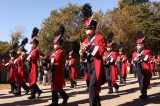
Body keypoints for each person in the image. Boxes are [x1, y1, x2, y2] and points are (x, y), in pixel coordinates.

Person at [79, 3, 106, 106]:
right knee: (93, 88)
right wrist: (82, 54)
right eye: (85, 28)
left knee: (91, 87)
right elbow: (85, 57)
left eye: (89, 28)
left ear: (94, 28)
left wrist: (88, 47)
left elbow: (100, 51)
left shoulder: (100, 37)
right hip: (89, 66)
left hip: (96, 65)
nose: (87, 30)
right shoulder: (85, 40)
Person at [49, 26, 69, 106]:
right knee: (56, 86)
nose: (54, 45)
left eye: (55, 44)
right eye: (54, 44)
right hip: (53, 69)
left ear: (59, 44)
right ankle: (65, 96)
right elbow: (51, 58)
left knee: (54, 86)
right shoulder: (53, 52)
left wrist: (50, 60)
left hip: (58, 70)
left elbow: (55, 59)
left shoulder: (61, 51)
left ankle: (55, 102)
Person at [132, 31, 152, 100]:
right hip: (138, 68)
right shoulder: (134, 53)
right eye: (137, 45)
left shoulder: (147, 51)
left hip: (145, 68)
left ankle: (144, 93)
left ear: (143, 45)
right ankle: (143, 92)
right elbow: (133, 62)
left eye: (140, 45)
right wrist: (135, 59)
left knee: (145, 80)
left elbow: (148, 58)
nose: (138, 46)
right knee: (140, 81)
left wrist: (141, 56)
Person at [27, 27, 42, 99]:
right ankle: (38, 91)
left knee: (32, 80)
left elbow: (33, 57)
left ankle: (33, 94)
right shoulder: (31, 50)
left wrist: (29, 57)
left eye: (32, 43)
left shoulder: (35, 50)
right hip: (30, 66)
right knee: (31, 80)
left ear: (35, 44)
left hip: (33, 66)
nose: (31, 44)